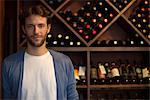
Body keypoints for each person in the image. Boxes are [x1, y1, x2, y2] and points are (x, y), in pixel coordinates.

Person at [2, 3, 79, 100]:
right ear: (24, 29)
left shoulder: (64, 62)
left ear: (48, 28)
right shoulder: (9, 64)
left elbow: (72, 97)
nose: (36, 31)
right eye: (30, 26)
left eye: (41, 26)